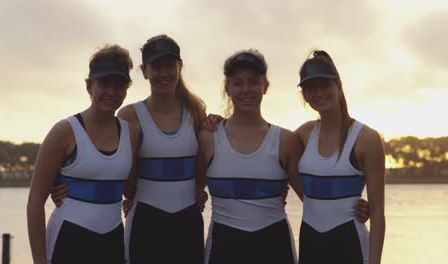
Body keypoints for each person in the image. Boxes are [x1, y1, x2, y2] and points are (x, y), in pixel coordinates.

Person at [27, 45, 139, 264]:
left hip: (113, 244)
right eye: (104, 84)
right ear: (89, 86)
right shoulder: (65, 131)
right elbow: (34, 201)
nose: (111, 92)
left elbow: (131, 190)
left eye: (119, 85)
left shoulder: (132, 133)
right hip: (67, 242)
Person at [197, 49, 302, 264]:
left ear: (265, 86)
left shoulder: (286, 141)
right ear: (227, 88)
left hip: (275, 246)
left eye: (254, 82)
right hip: (223, 248)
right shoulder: (208, 138)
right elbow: (190, 196)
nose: (246, 90)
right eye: (237, 83)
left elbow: (313, 201)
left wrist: (354, 207)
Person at [117, 34, 206, 264]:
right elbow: (113, 168)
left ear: (180, 67)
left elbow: (205, 167)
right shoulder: (129, 116)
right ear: (145, 70)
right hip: (144, 224)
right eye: (156, 67)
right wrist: (63, 184)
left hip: (188, 224)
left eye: (170, 66)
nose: (164, 73)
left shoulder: (196, 112)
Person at [295, 50, 385, 264]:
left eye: (324, 84)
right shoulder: (303, 134)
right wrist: (218, 122)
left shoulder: (367, 139)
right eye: (310, 87)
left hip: (351, 247)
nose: (318, 92)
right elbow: (266, 157)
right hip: (310, 245)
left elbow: (378, 212)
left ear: (338, 86)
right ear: (304, 95)